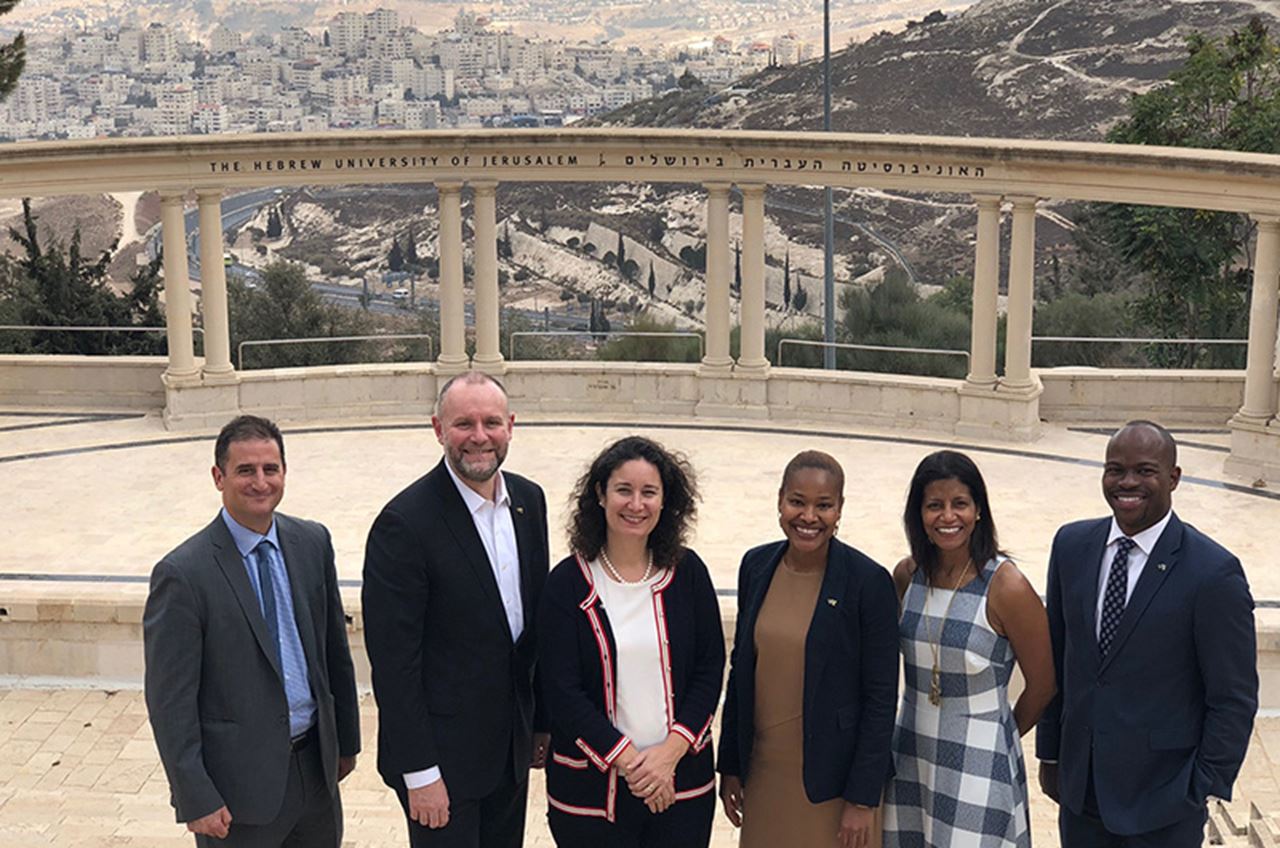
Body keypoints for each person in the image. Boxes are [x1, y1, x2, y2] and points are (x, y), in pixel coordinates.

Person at [1036, 420, 1258, 847]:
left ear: (1174, 477)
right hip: (1081, 795)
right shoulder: (1071, 546)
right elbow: (1059, 657)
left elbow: (1233, 697)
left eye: (1144, 470)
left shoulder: (1213, 573)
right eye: (1115, 469)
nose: (1127, 482)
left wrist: (1201, 786)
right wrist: (1052, 753)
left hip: (1164, 804)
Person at [143, 415, 360, 847]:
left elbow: (334, 651)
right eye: (246, 470)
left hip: (315, 777)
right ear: (218, 477)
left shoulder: (312, 543)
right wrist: (195, 795)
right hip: (236, 793)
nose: (260, 482)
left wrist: (346, 743)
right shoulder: (184, 574)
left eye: (270, 469)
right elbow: (171, 699)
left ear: (283, 473)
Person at [362, 371, 551, 848]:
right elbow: (394, 664)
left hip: (509, 756)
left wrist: (540, 721)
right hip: (442, 768)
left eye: (491, 422)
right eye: (464, 423)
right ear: (438, 429)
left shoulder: (529, 501)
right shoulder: (404, 524)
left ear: (511, 426)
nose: (479, 437)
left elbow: (531, 634)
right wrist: (420, 772)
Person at [537, 435, 724, 848]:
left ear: (665, 501)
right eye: (624, 490)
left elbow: (710, 670)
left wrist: (669, 755)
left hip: (681, 787)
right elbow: (561, 690)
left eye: (649, 492)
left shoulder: (688, 573)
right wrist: (634, 764)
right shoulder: (567, 583)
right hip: (588, 798)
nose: (636, 504)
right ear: (600, 494)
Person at [718, 450, 899, 848]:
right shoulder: (756, 565)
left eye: (824, 505)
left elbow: (881, 698)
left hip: (834, 788)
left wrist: (861, 800)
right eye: (797, 501)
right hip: (764, 775)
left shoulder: (868, 582)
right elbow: (741, 672)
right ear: (779, 500)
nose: (809, 516)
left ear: (840, 509)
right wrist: (730, 765)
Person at [884, 449, 1055, 848]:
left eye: (960, 503)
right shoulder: (908, 577)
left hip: (978, 762)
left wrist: (999, 738)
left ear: (978, 510)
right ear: (918, 514)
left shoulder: (1006, 587)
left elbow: (1044, 684)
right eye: (934, 506)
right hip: (912, 751)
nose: (948, 517)